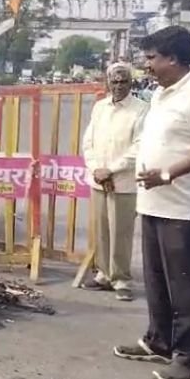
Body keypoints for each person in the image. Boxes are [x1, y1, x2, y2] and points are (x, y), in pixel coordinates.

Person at [113, 26, 190, 379]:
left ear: (173, 59)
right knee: (157, 280)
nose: (146, 65)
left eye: (151, 58)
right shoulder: (162, 94)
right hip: (154, 204)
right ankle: (159, 341)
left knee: (186, 285)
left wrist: (167, 172)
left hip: (183, 208)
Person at [81, 62, 148, 301]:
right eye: (115, 81)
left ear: (131, 83)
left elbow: (139, 147)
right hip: (99, 179)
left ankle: (121, 279)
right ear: (107, 83)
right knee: (101, 229)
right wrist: (96, 169)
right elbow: (88, 143)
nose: (119, 86)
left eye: (124, 81)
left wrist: (111, 170)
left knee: (121, 232)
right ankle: (103, 274)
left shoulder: (141, 109)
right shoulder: (100, 108)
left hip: (124, 181)